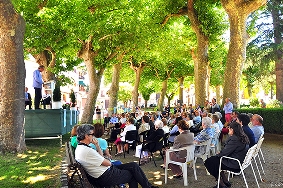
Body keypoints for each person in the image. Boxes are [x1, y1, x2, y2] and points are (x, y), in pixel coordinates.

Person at [75, 124, 158, 188]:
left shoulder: (81, 148)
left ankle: (149, 187)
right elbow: (108, 163)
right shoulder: (87, 151)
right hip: (105, 176)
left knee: (134, 165)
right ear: (86, 136)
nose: (93, 136)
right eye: (92, 134)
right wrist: (107, 160)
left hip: (102, 173)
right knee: (132, 175)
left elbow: (100, 157)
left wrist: (97, 145)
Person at [204, 122, 250, 188]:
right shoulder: (243, 137)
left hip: (234, 163)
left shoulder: (234, 139)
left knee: (209, 162)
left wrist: (218, 154)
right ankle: (225, 181)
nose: (228, 130)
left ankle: (222, 184)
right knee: (213, 161)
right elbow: (228, 151)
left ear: (232, 130)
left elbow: (225, 153)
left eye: (229, 129)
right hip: (238, 161)